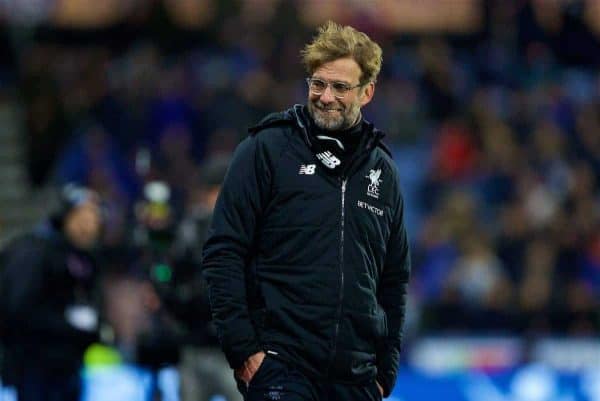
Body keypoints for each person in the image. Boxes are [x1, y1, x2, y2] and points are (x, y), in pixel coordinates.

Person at [202, 21, 411, 401]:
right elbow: (223, 251)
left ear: (367, 93)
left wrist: (385, 371)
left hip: (357, 378)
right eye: (318, 83)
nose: (326, 96)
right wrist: (244, 351)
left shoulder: (383, 171)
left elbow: (393, 280)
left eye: (340, 87)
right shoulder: (266, 149)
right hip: (282, 368)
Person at [0, 184, 102, 401]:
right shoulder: (34, 252)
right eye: (83, 218)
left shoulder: (81, 256)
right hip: (34, 368)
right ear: (66, 217)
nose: (90, 227)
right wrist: (70, 327)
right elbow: (19, 311)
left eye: (94, 219)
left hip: (66, 366)